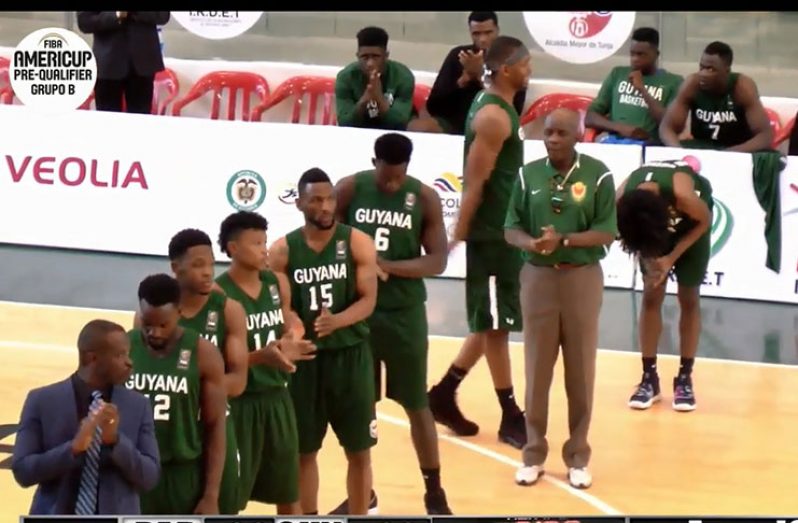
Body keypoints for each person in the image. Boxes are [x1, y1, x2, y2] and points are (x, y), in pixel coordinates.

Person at [333, 133, 452, 514]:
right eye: (386, 176)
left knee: (417, 404)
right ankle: (362, 493)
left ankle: (434, 492)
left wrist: (388, 266)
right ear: (375, 163)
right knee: (359, 407)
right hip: (360, 314)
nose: (392, 184)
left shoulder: (425, 197)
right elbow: (328, 241)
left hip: (404, 316)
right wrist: (362, 267)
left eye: (398, 177)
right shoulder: (351, 188)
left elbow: (436, 262)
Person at [428, 35, 532, 449]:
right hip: (491, 235)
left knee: (492, 320)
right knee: (497, 326)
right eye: (525, 64)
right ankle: (510, 415)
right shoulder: (493, 116)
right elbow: (474, 184)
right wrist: (459, 232)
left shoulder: (499, 104)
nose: (530, 71)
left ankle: (442, 393)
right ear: (507, 69)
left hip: (503, 230)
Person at [505, 108, 617, 490]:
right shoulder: (527, 174)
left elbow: (606, 232)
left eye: (561, 133)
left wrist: (564, 240)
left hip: (582, 278)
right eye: (548, 132)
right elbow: (510, 227)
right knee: (537, 369)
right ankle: (533, 454)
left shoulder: (598, 173)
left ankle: (578, 456)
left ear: (578, 137)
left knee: (580, 370)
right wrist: (533, 243)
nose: (552, 139)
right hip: (537, 277)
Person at [269, 168, 378, 515]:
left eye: (329, 198)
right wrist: (296, 328)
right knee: (304, 451)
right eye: (316, 199)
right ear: (300, 203)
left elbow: (368, 300)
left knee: (359, 450)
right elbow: (284, 308)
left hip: (352, 357)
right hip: (308, 362)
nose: (326, 205)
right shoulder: (283, 250)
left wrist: (338, 321)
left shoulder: (357, 241)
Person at [215, 211, 316, 514]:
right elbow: (213, 363)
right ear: (233, 248)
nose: (264, 250)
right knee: (229, 497)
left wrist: (294, 336)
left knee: (289, 492)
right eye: (256, 243)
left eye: (265, 242)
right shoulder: (220, 295)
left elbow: (290, 319)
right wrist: (261, 357)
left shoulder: (277, 282)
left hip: (278, 401)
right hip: (240, 406)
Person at [12, 319, 159, 515]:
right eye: (120, 355)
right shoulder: (41, 400)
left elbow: (149, 477)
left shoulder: (137, 405)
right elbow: (23, 471)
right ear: (92, 358)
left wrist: (115, 441)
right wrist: (73, 449)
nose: (129, 362)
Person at [616, 156, 713, 413]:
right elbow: (626, 233)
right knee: (651, 295)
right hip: (653, 229)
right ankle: (649, 379)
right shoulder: (622, 197)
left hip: (692, 229)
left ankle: (685, 378)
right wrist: (649, 257)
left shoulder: (683, 196)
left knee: (688, 298)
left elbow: (705, 221)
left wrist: (670, 257)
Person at [128, 274, 227, 514]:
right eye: (148, 324)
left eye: (163, 325)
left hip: (181, 474)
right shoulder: (123, 346)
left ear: (179, 313)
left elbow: (215, 426)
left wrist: (211, 495)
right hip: (132, 469)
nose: (154, 332)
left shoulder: (204, 353)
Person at [165, 228, 248, 515]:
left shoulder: (229, 310)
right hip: (171, 426)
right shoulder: (153, 312)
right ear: (176, 269)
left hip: (214, 425)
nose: (208, 272)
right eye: (199, 265)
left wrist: (191, 389)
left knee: (219, 508)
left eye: (211, 264)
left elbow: (238, 381)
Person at [408, 12, 526, 135]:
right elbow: (434, 106)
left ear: (497, 30)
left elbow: (515, 109)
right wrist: (462, 81)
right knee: (417, 127)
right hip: (454, 122)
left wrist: (481, 77)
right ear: (470, 32)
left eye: (488, 32)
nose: (483, 39)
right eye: (476, 34)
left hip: (491, 123)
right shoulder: (458, 55)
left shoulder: (511, 60)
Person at [659, 41, 773, 153]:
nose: (703, 74)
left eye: (711, 69)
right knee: (658, 147)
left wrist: (726, 155)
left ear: (726, 71)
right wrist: (679, 152)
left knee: (771, 159)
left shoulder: (742, 86)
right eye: (701, 67)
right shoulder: (692, 84)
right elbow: (667, 128)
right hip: (702, 147)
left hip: (737, 150)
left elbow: (765, 136)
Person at [585, 27, 682, 145]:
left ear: (656, 55)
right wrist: (619, 128)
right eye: (632, 54)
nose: (635, 59)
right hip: (612, 141)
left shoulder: (673, 82)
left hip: (649, 145)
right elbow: (589, 117)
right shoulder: (618, 74)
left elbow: (670, 126)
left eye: (641, 55)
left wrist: (642, 89)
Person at [76, 11, 170, 113]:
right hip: (108, 63)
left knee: (140, 123)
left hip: (142, 61)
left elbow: (163, 16)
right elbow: (84, 22)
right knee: (107, 121)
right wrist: (116, 15)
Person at [335, 26, 416, 131]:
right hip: (359, 132)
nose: (370, 63)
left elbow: (399, 123)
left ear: (386, 56)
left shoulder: (403, 76)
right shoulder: (346, 77)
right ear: (357, 55)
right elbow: (344, 123)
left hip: (392, 135)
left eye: (375, 56)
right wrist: (365, 99)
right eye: (365, 57)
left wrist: (378, 97)